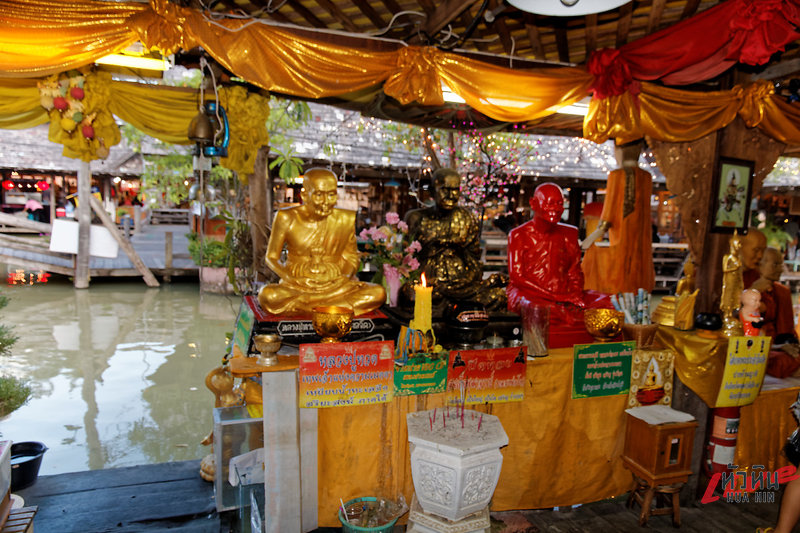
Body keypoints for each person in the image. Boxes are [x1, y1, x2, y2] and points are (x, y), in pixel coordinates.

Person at [257, 168, 385, 316]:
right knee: (268, 296)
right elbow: (271, 257)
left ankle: (308, 309)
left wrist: (343, 278)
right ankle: (332, 310)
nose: (326, 202)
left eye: (331, 194)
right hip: (299, 284)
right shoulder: (287, 217)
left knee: (378, 293)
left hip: (335, 285)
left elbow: (351, 256)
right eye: (319, 195)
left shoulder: (345, 219)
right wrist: (291, 278)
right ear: (304, 194)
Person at [404, 168, 505, 311]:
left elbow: (473, 259)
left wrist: (469, 281)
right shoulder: (416, 218)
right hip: (429, 283)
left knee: (497, 297)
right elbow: (406, 260)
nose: (450, 195)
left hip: (460, 284)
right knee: (411, 295)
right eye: (444, 189)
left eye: (455, 190)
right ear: (433, 191)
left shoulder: (467, 218)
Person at [507, 182, 609, 326]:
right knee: (539, 309)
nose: (555, 208)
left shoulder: (570, 233)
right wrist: (555, 297)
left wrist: (575, 295)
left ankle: (574, 315)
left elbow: (574, 272)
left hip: (564, 294)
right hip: (531, 294)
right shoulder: (518, 235)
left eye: (560, 203)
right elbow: (517, 278)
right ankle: (569, 315)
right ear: (533, 203)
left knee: (610, 301)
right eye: (550, 203)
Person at [582, 141, 655, 294]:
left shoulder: (617, 176)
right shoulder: (646, 177)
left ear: (620, 150)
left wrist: (591, 238)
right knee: (636, 288)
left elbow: (608, 214)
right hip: (641, 248)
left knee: (605, 269)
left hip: (621, 245)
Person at [752, 247, 797, 344]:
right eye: (775, 264)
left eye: (781, 265)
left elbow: (787, 329)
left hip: (779, 341)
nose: (780, 269)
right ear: (760, 264)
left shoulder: (783, 292)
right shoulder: (748, 287)